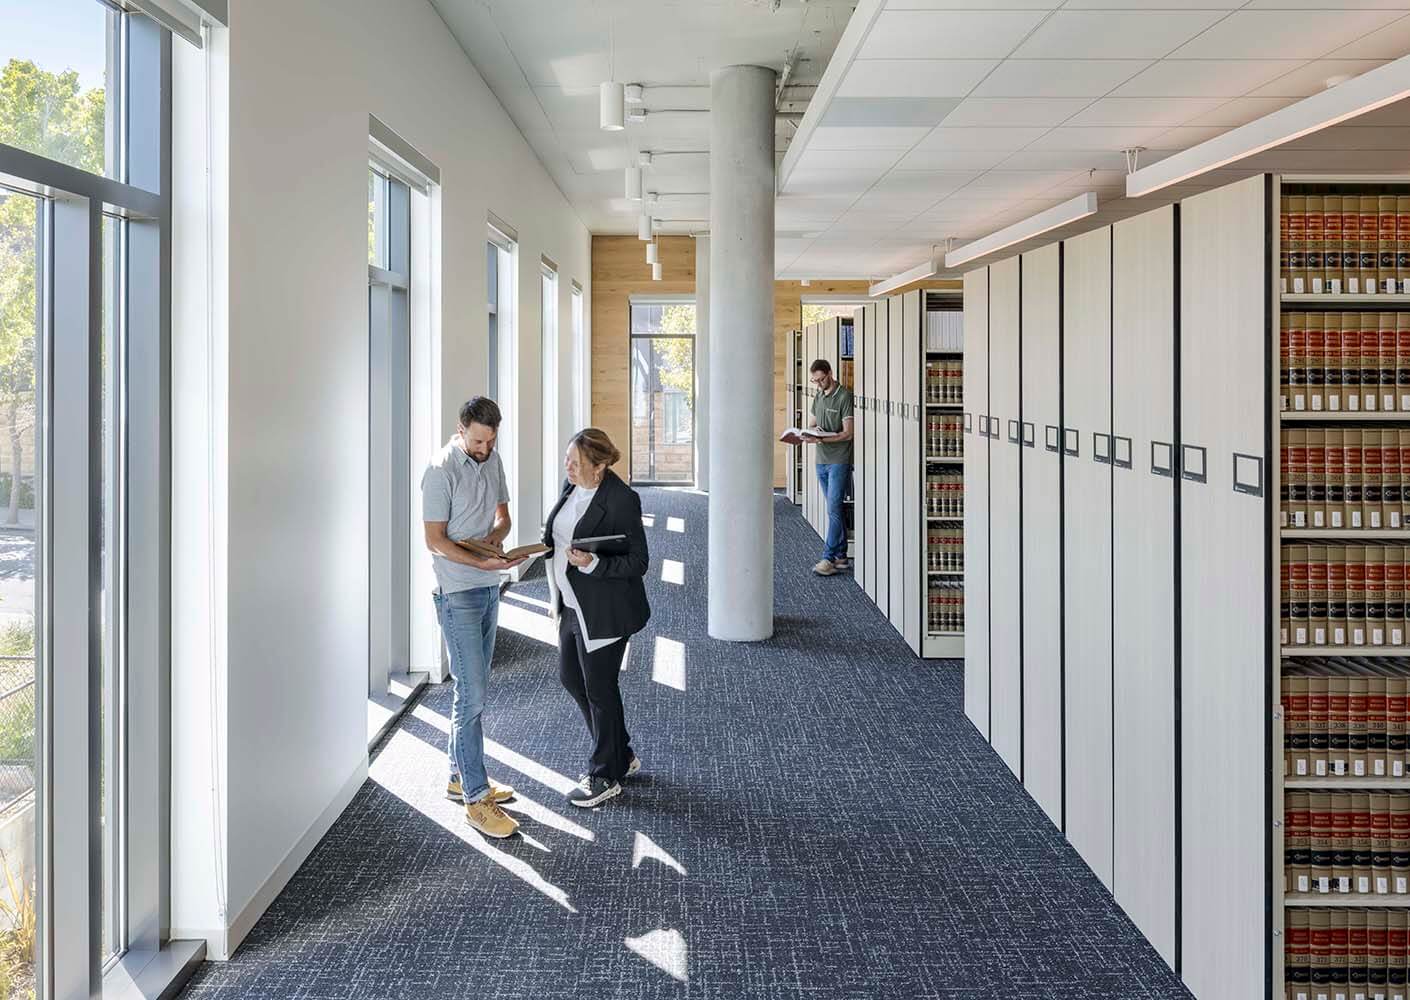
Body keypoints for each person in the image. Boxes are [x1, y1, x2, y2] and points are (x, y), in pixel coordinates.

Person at [421, 396, 528, 839]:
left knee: (473, 688)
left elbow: (503, 518)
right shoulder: (439, 470)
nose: (485, 449)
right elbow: (434, 540)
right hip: (457, 592)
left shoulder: (493, 459)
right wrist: (477, 560)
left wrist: (495, 543)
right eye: (479, 441)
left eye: (491, 441)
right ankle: (476, 798)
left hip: (488, 584)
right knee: (473, 695)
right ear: (461, 428)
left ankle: (457, 774)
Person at [542, 428, 651, 808]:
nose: (568, 467)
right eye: (567, 459)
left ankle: (605, 774)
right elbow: (560, 535)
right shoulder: (572, 486)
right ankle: (621, 753)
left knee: (600, 689)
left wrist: (593, 563)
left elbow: (639, 561)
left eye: (576, 463)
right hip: (572, 604)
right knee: (571, 678)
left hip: (605, 609)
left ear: (600, 466)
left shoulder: (621, 499)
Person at [806, 358, 854, 576]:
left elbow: (848, 433)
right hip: (821, 460)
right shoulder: (818, 396)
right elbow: (812, 424)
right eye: (815, 381)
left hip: (839, 460)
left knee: (834, 509)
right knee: (834, 509)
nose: (818, 384)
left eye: (821, 380)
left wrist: (824, 439)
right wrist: (808, 434)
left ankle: (828, 558)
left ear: (830, 374)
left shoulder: (844, 396)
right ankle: (842, 556)